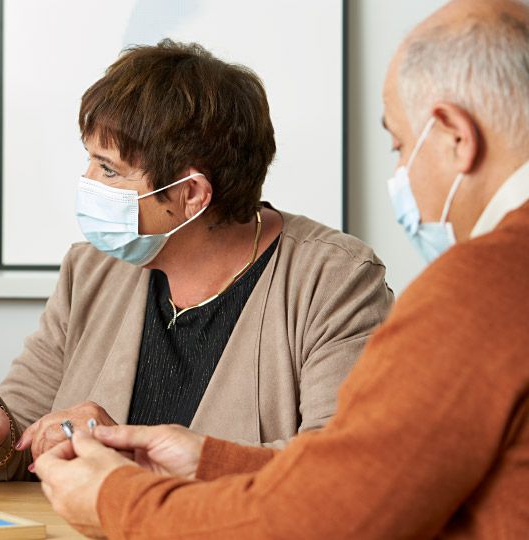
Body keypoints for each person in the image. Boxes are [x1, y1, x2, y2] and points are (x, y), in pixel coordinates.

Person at [34, 0, 529, 537]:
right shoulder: (91, 271)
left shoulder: (482, 287)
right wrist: (207, 461)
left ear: (456, 134)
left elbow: (337, 513)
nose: (402, 173)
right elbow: (363, 478)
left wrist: (115, 498)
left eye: (400, 144)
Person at [0, 40, 393, 480]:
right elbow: (20, 442)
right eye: (90, 160)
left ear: (190, 195)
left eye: (108, 169)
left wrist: (127, 452)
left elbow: (343, 469)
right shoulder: (91, 271)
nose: (87, 182)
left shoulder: (334, 280)